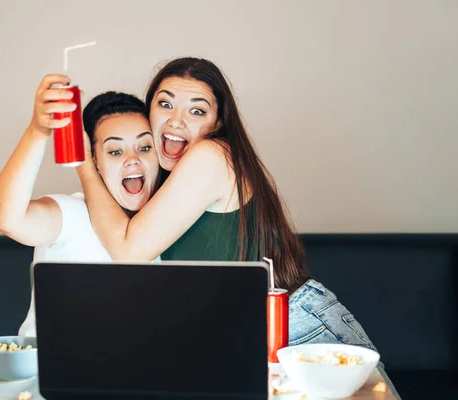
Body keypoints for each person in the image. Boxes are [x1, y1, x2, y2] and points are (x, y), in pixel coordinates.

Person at [75, 57, 400, 397]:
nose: (175, 120)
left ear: (217, 123)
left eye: (197, 111)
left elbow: (128, 253)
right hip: (253, 340)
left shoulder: (211, 156)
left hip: (298, 333)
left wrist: (83, 165)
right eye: (165, 103)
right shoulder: (170, 185)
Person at [0, 74, 160, 336]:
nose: (133, 159)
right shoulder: (71, 214)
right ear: (95, 162)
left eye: (145, 147)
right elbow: (7, 219)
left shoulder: (162, 227)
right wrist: (38, 129)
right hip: (49, 372)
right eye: (115, 151)